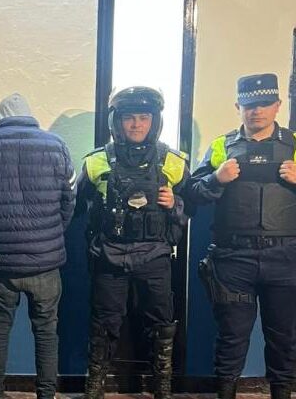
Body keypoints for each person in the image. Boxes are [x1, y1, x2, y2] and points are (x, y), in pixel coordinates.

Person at [186, 74, 296, 399]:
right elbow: (192, 193)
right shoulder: (221, 146)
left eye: (264, 103)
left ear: (277, 105)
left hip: (285, 257)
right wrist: (216, 179)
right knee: (231, 338)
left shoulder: (294, 144)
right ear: (238, 107)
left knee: (284, 339)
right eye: (249, 105)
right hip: (234, 259)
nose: (256, 110)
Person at [77, 86, 189, 399]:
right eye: (129, 117)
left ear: (155, 121)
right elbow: (76, 205)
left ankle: (162, 387)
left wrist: (174, 204)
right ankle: (94, 387)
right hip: (110, 256)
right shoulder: (97, 161)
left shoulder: (173, 162)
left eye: (144, 117)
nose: (137, 124)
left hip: (155, 256)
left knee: (162, 324)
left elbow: (194, 203)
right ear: (117, 121)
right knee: (103, 324)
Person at [0, 93, 75, 399]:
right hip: (46, 264)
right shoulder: (56, 146)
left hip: (1, 263)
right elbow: (69, 202)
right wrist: (50, 236)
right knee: (47, 332)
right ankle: (46, 395)